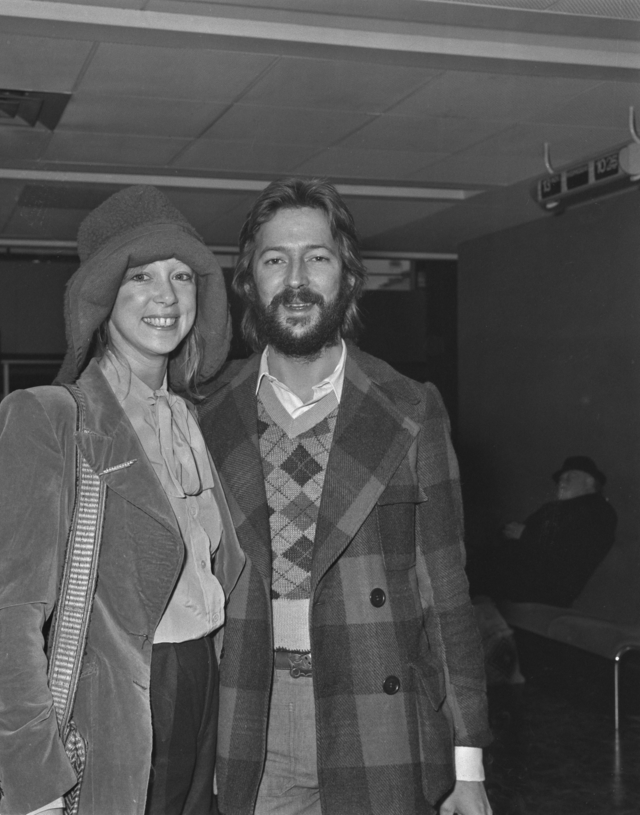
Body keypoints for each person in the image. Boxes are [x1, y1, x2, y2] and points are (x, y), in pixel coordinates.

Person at [198, 178, 492, 815]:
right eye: (276, 259)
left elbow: (447, 594)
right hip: (253, 712)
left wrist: (469, 766)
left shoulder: (412, 407)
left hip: (379, 712)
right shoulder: (205, 414)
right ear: (250, 280)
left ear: (346, 276)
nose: (297, 278)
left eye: (318, 257)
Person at [0, 185, 245, 815]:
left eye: (182, 276)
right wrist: (33, 776)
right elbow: (9, 610)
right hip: (119, 708)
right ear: (101, 297)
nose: (167, 296)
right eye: (141, 277)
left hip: (206, 684)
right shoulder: (50, 418)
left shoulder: (194, 420)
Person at [468, 455, 617, 607]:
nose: (562, 482)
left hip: (544, 588)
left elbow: (574, 551)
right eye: (561, 478)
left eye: (571, 476)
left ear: (590, 482)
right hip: (518, 576)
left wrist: (525, 535)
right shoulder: (554, 508)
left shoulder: (598, 511)